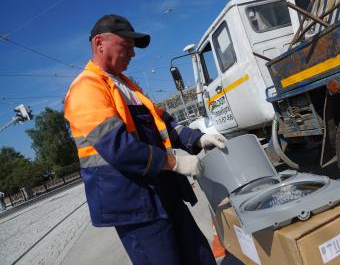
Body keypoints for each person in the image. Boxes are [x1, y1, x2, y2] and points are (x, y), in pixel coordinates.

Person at [64, 14, 227, 265]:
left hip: (161, 190)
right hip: (133, 203)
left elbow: (164, 126)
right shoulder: (86, 88)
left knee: (199, 255)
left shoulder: (128, 86)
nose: (132, 54)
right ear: (99, 43)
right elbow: (118, 148)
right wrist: (175, 163)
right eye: (126, 46)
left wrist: (198, 139)